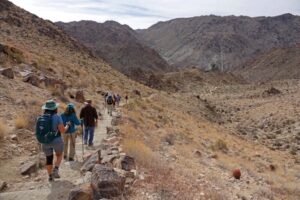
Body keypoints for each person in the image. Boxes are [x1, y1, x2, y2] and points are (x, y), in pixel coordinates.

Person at [37, 100, 70, 182]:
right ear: (55, 108)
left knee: (49, 158)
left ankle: (50, 176)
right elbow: (62, 130)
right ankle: (56, 169)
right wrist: (67, 126)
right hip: (56, 140)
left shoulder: (41, 118)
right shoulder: (57, 117)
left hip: (45, 141)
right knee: (59, 155)